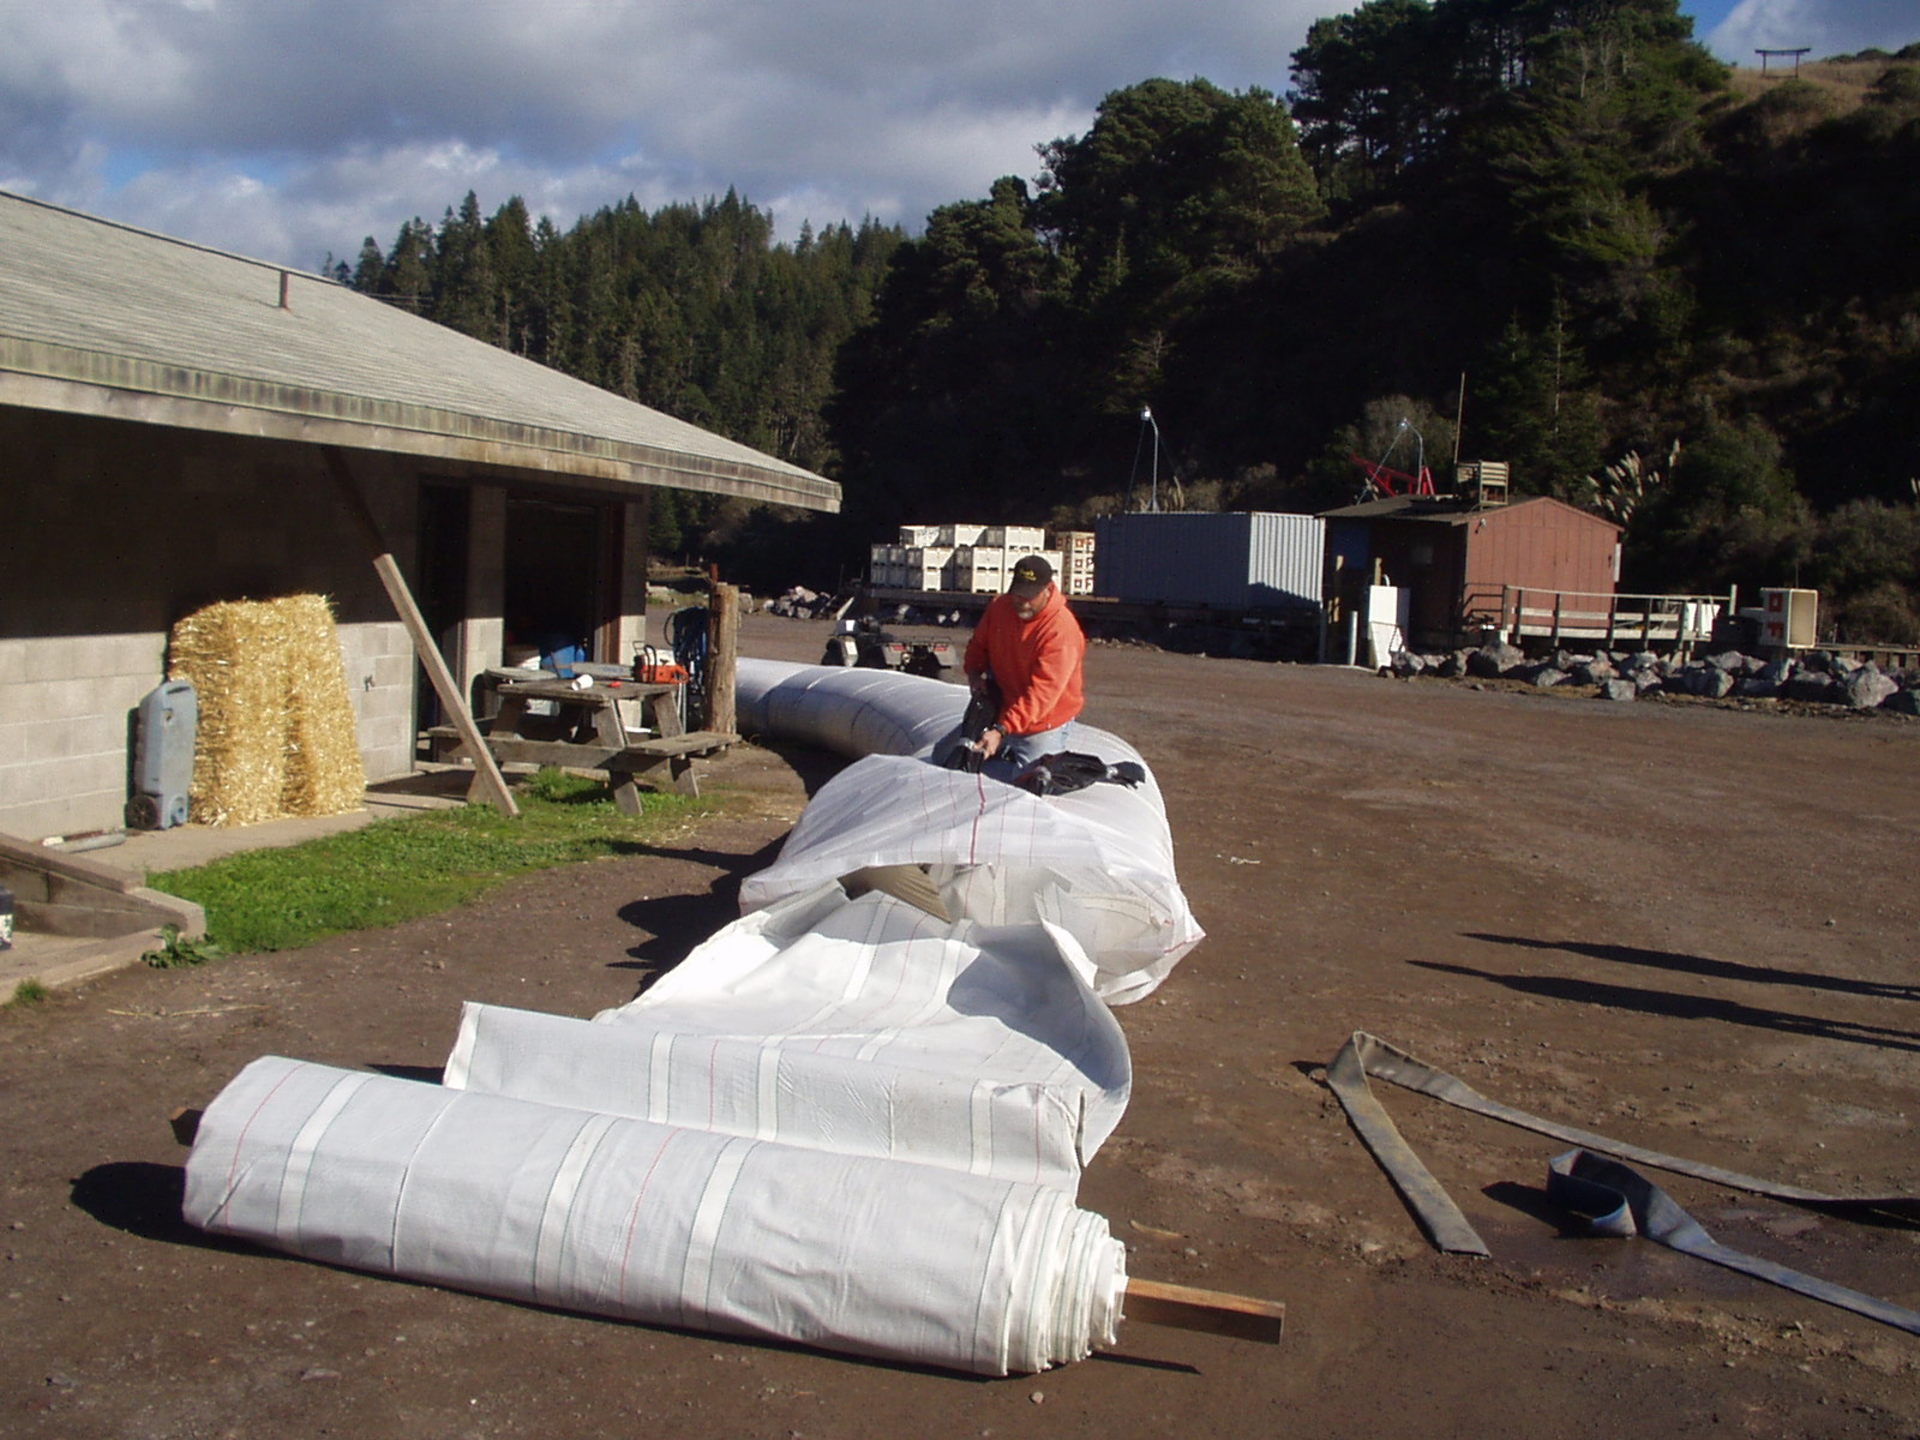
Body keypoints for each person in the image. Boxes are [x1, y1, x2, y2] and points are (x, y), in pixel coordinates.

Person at [958, 554, 1087, 775]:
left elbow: (1042, 695)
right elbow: (979, 644)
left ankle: (1086, 772)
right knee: (949, 758)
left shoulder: (1060, 630)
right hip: (1004, 707)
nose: (1022, 602)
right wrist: (974, 673)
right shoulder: (1000, 608)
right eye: (1018, 594)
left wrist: (1001, 730)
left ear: (1048, 589)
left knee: (1027, 784)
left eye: (1030, 596)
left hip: (1044, 720)